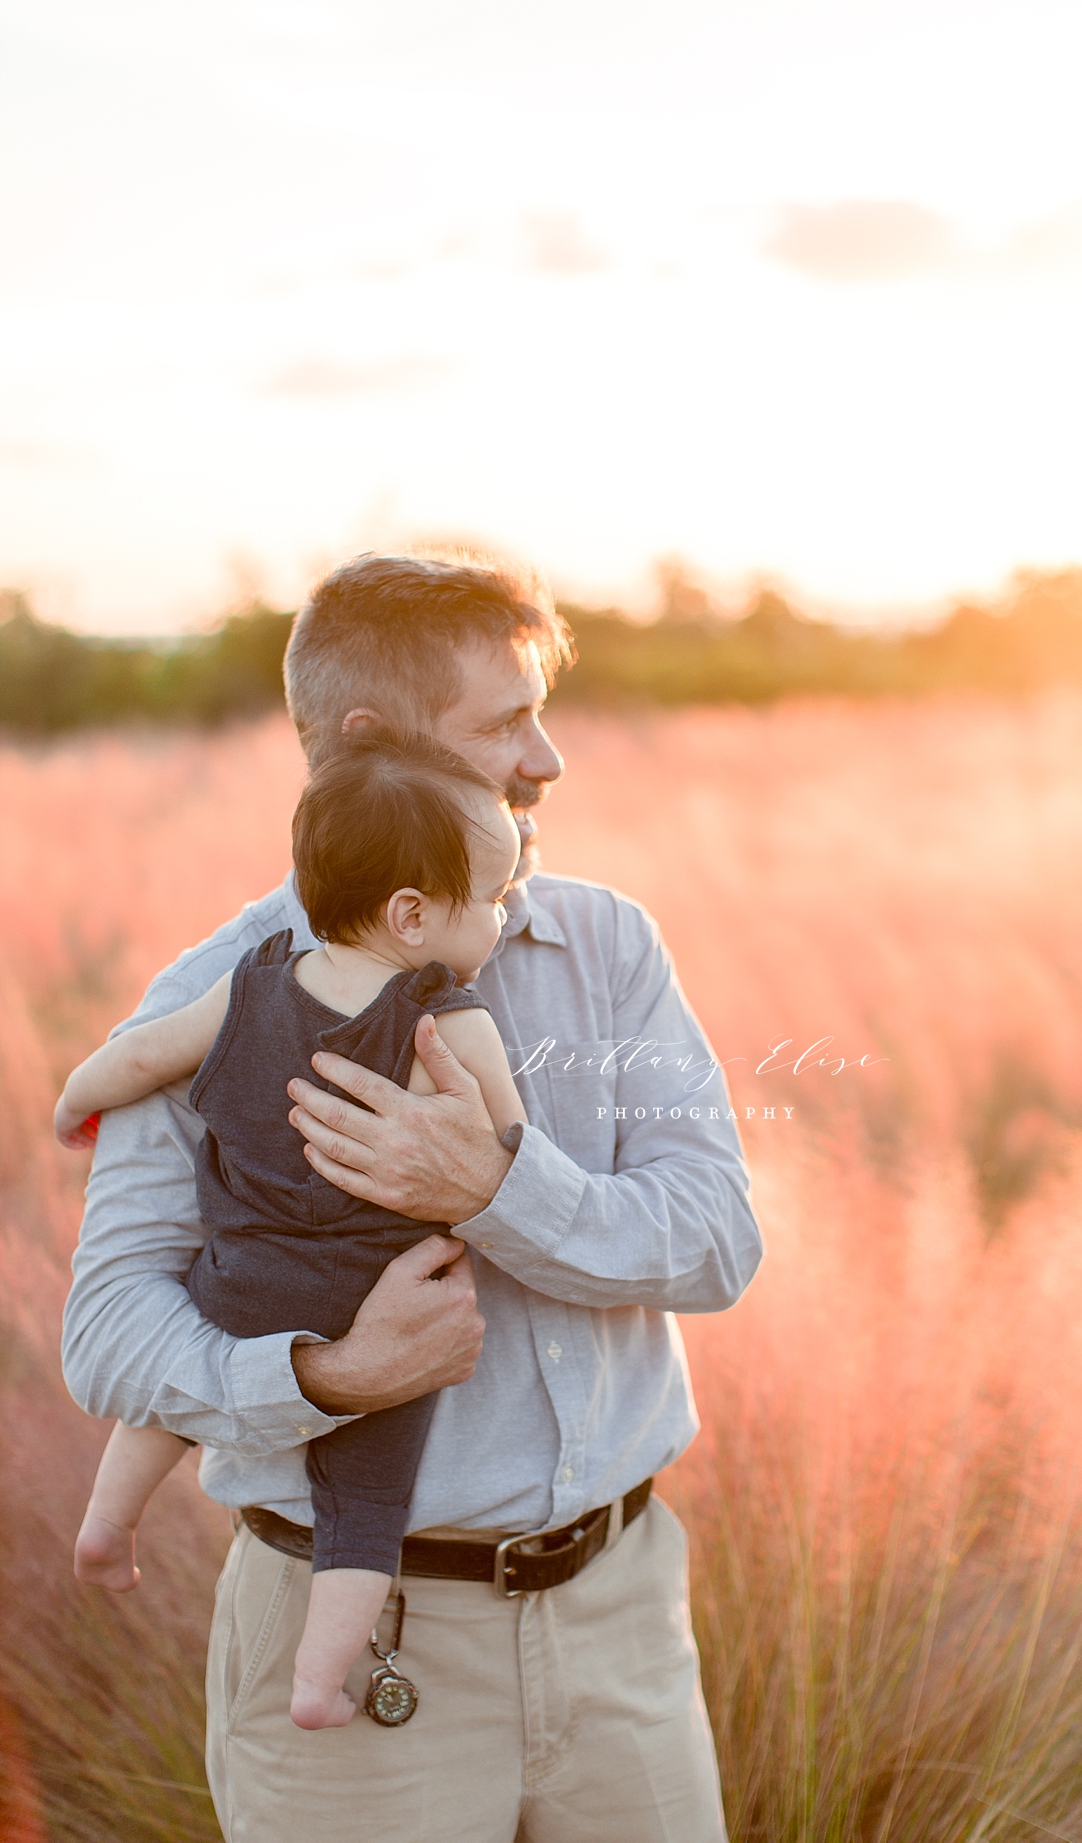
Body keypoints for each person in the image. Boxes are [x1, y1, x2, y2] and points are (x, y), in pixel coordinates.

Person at [61, 552, 762, 1843]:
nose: (547, 759)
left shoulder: (608, 945)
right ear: (369, 744)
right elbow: (104, 1331)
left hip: (623, 1631)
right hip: (355, 1647)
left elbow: (720, 1236)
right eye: (504, 723)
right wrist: (324, 1374)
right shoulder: (213, 997)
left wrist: (496, 1187)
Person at [56, 730, 527, 1730]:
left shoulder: (247, 985)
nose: (503, 912)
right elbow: (503, 1151)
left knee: (164, 1412)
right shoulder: (448, 1015)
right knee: (362, 1507)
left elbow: (136, 1058)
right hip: (373, 1302)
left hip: (239, 1277)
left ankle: (105, 1527)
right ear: (412, 914)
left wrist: (73, 1105)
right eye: (490, 895)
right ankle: (319, 1681)